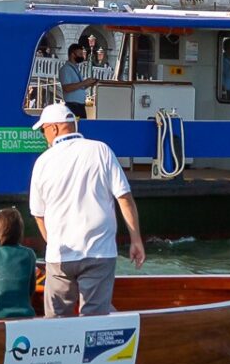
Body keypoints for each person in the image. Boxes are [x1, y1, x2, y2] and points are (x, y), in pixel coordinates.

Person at [28, 102, 144, 316]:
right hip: (99, 252)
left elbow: (38, 214)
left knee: (56, 321)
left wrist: (53, 243)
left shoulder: (43, 162)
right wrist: (136, 240)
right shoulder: (101, 150)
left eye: (43, 130)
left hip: (60, 256)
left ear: (54, 128)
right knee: (94, 321)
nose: (44, 136)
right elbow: (124, 198)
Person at [59, 43, 93, 119]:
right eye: (80, 54)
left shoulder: (75, 68)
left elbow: (80, 86)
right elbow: (67, 88)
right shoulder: (66, 69)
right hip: (73, 106)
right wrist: (84, 82)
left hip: (80, 106)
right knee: (76, 125)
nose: (82, 56)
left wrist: (89, 84)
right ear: (72, 54)